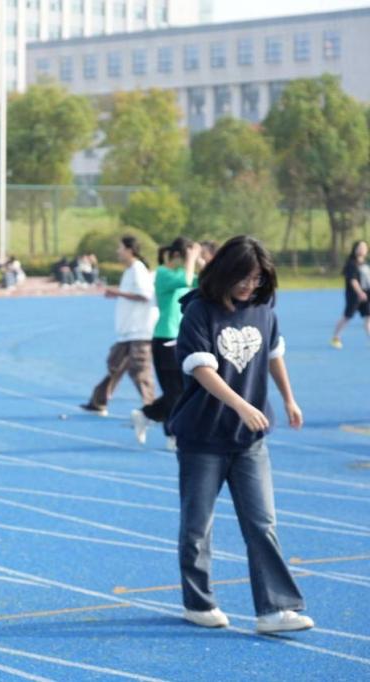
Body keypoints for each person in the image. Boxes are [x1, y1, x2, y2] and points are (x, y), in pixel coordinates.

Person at [168, 235, 313, 634]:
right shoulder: (199, 311)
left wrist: (289, 399)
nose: (250, 286)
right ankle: (198, 603)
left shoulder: (264, 309)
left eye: (258, 278)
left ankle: (275, 609)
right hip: (202, 439)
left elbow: (273, 354)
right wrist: (241, 405)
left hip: (250, 442)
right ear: (225, 273)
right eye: (244, 278)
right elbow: (202, 369)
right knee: (197, 527)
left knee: (262, 524)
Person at [131, 237, 202, 448]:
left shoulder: (184, 272)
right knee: (175, 390)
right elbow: (186, 281)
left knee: (183, 388)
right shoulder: (163, 273)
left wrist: (200, 261)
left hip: (181, 338)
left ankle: (147, 414)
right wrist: (191, 260)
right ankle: (173, 434)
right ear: (178, 255)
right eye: (188, 256)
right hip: (165, 338)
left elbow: (207, 282)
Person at [80, 236, 157, 417]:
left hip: (140, 331)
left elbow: (145, 295)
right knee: (115, 366)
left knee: (140, 371)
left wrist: (118, 293)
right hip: (128, 331)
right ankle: (98, 401)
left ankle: (152, 408)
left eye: (120, 248)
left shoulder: (138, 270)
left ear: (129, 250)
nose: (118, 252)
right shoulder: (130, 270)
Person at [330, 239, 370, 349]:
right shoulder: (351, 264)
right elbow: (353, 280)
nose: (362, 249)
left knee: (368, 317)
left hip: (367, 294)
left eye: (364, 247)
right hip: (355, 295)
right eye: (360, 247)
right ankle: (335, 337)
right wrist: (360, 292)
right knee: (347, 317)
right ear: (355, 249)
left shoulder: (365, 264)